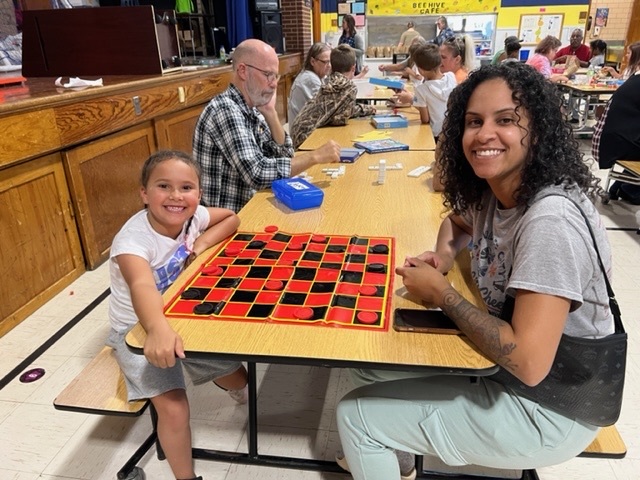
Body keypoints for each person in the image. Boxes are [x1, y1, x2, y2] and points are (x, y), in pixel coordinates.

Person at [336, 62, 613, 480]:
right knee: (365, 363)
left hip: (551, 406)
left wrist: (442, 296)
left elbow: (529, 362)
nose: (484, 134)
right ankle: (399, 449)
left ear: (537, 131)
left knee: (355, 416)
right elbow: (457, 223)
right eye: (473, 122)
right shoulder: (499, 189)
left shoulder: (550, 221)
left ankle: (378, 441)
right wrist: (444, 257)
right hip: (516, 377)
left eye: (505, 120)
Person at [107, 150, 248, 480]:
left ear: (198, 194)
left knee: (239, 378)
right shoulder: (132, 241)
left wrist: (201, 243)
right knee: (174, 409)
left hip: (182, 311)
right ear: (144, 193)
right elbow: (141, 284)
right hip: (137, 330)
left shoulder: (193, 216)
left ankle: (211, 373)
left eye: (186, 188)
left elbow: (232, 217)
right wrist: (157, 330)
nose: (175, 196)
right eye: (163, 186)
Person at [193, 39, 340, 212]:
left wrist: (270, 113)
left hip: (252, 207)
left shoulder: (252, 108)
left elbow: (286, 155)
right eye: (268, 75)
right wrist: (314, 157)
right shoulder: (226, 109)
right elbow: (257, 173)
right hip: (230, 220)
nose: (274, 83)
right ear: (243, 71)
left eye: (275, 76)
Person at [290, 44, 376, 149]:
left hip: (298, 130)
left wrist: (362, 109)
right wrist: (366, 109)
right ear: (353, 68)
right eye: (324, 62)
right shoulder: (349, 87)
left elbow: (335, 108)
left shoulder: (328, 79)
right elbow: (339, 118)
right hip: (306, 137)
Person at [592, 67, 640, 203]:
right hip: (616, 143)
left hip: (608, 139)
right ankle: (630, 190)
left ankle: (622, 188)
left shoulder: (634, 79)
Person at [392, 44, 456, 138]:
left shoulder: (422, 89)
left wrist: (412, 100)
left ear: (421, 70)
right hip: (453, 130)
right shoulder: (451, 77)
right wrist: (414, 97)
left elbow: (425, 119)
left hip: (436, 134)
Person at [287, 42, 332, 126]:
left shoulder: (318, 75)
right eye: (325, 62)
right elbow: (326, 110)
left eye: (330, 61)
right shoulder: (310, 80)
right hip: (303, 134)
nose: (329, 66)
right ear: (312, 61)